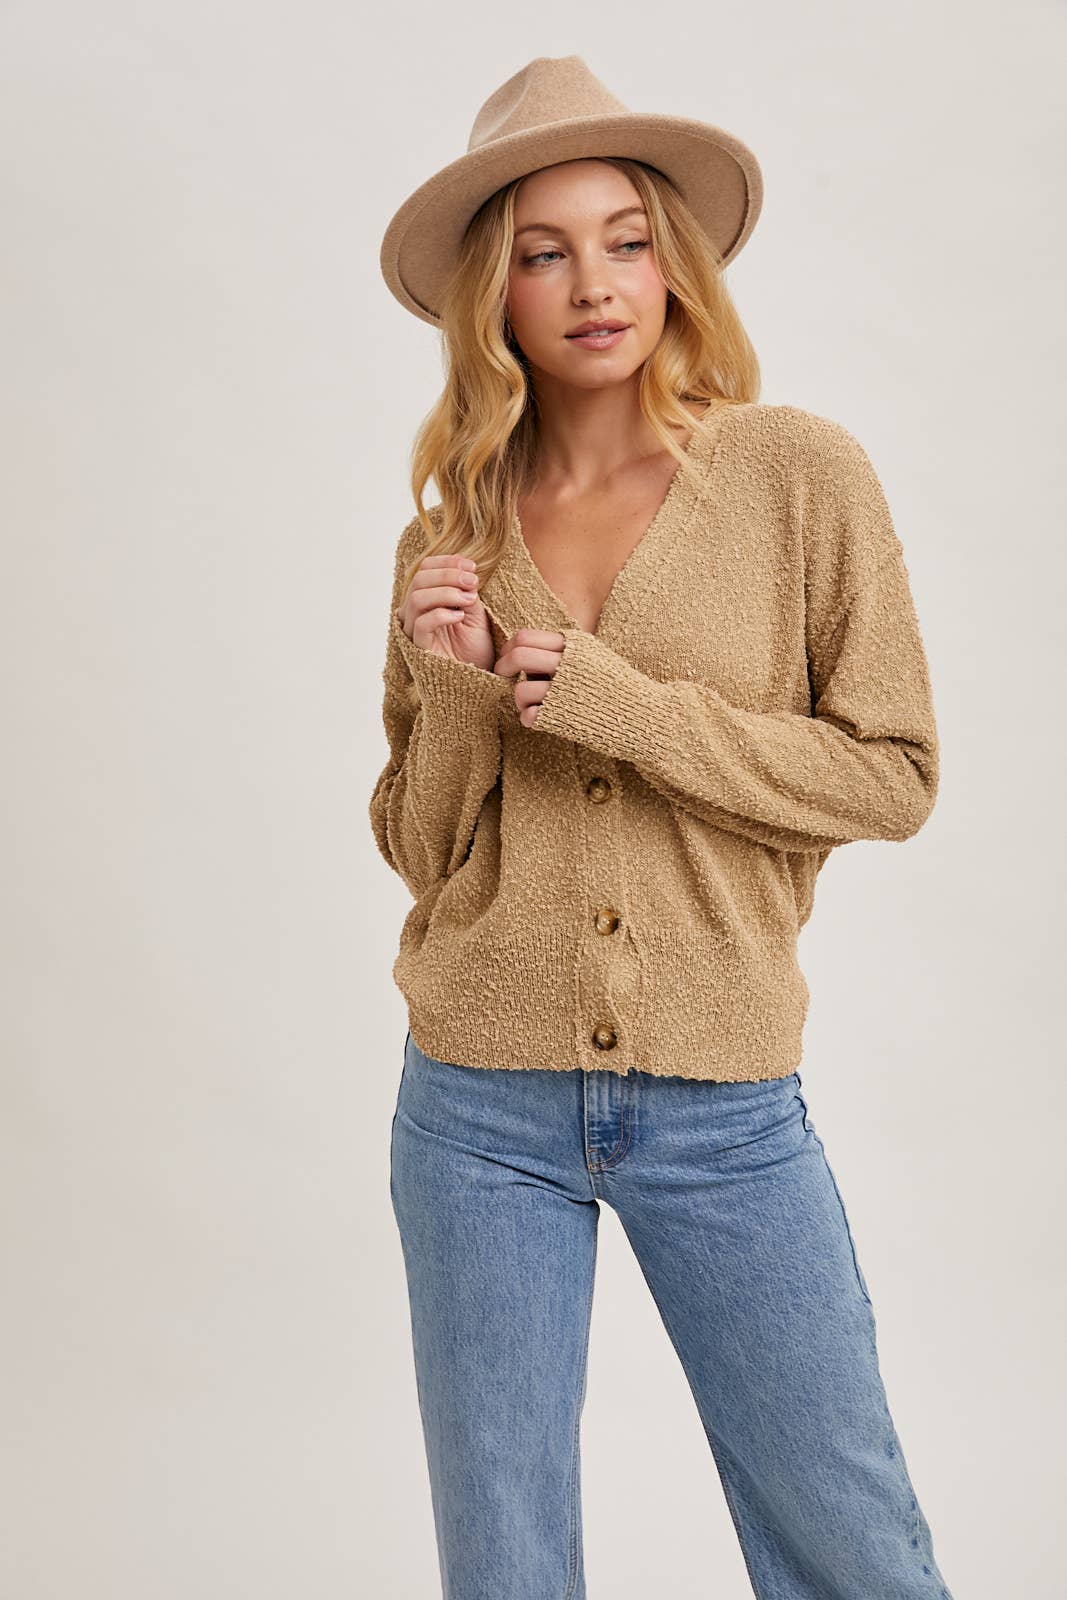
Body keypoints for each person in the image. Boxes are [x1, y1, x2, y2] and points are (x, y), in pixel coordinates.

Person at [370, 54, 955, 1600]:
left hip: (725, 1103)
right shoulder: (449, 538)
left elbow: (891, 773)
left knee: (851, 1543)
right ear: (493, 296)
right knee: (505, 1561)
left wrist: (628, 707)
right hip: (474, 1108)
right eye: (543, 253)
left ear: (673, 260)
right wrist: (456, 692)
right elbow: (424, 855)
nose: (594, 285)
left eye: (626, 240)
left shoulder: (795, 474)